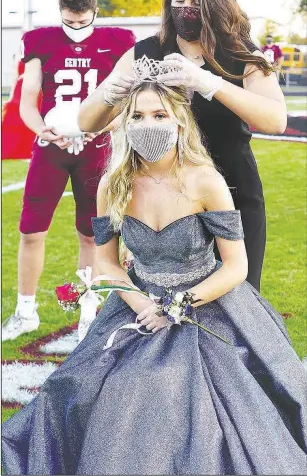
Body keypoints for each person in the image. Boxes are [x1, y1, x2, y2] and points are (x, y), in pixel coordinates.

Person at [2, 71, 307, 475]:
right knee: (74, 389)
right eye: (138, 116)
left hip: (208, 302)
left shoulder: (205, 179)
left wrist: (177, 304)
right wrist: (143, 301)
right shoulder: (113, 183)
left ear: (179, 120)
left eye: (159, 115)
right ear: (125, 123)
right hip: (137, 301)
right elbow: (106, 262)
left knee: (173, 392)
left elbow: (236, 266)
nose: (148, 125)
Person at [78, 0, 288, 293]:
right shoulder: (147, 51)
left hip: (233, 189)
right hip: (164, 197)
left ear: (215, 4)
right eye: (178, 1)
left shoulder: (241, 53)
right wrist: (107, 94)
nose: (185, 10)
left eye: (195, 2)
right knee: (167, 301)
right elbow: (87, 121)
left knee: (239, 298)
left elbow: (275, 119)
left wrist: (209, 83)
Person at [2, 0, 135, 342]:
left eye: (82, 22)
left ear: (94, 13)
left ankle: (88, 312)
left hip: (96, 147)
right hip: (51, 147)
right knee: (31, 230)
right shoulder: (41, 40)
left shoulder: (119, 41)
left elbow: (128, 101)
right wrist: (43, 129)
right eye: (68, 22)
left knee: (91, 235)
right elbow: (28, 101)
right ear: (60, 14)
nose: (75, 29)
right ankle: (25, 310)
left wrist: (101, 127)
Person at [2, 55, 40, 160]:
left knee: (29, 118)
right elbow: (15, 78)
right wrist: (10, 99)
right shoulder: (20, 56)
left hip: (32, 88)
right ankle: (15, 149)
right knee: (15, 118)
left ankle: (26, 149)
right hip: (22, 88)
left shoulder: (38, 54)